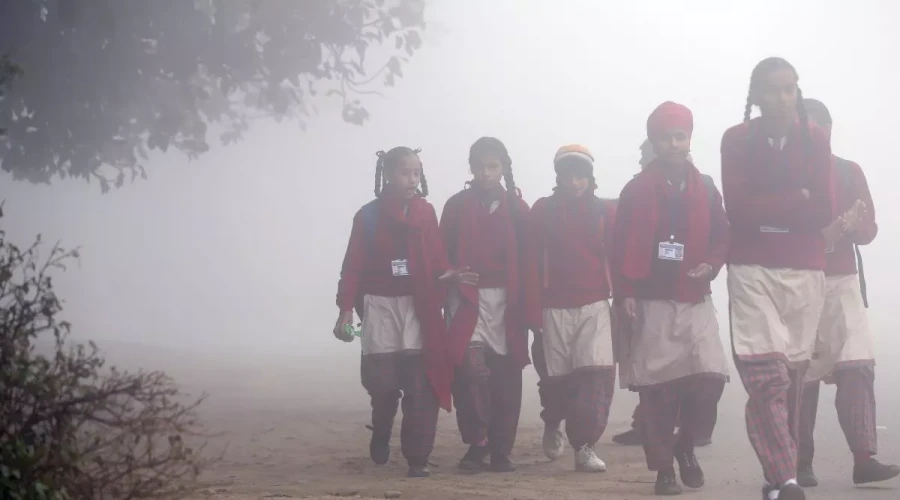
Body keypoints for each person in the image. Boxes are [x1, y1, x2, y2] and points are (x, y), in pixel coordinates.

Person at [721, 57, 834, 500]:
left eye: (790, 88)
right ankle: (786, 477)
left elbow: (823, 209)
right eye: (773, 89)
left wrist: (770, 206)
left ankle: (777, 475)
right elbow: (737, 209)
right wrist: (795, 198)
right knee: (765, 375)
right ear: (755, 95)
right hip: (751, 267)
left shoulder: (815, 139)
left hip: (805, 269)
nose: (783, 98)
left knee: (791, 377)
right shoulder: (737, 140)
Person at [334, 147, 476, 478]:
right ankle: (382, 426)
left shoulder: (426, 212)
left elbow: (437, 256)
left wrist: (450, 274)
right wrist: (345, 310)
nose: (412, 180)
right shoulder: (367, 216)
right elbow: (352, 267)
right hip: (379, 306)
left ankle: (418, 457)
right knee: (382, 384)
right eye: (404, 172)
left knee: (420, 385)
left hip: (418, 306)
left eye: (416, 173)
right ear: (387, 174)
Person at [613, 102, 731, 495]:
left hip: (695, 298)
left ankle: (686, 445)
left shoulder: (707, 188)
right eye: (666, 138)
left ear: (690, 138)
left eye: (681, 136)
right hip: (651, 301)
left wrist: (711, 265)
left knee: (710, 379)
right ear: (655, 142)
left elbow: (722, 236)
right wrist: (626, 293)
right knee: (658, 391)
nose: (675, 144)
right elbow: (618, 246)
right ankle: (664, 469)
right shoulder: (636, 190)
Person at [795, 99, 899, 487]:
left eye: (818, 130)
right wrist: (830, 231)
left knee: (857, 367)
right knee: (801, 376)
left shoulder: (848, 171)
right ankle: (798, 462)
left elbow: (868, 230)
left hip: (842, 282)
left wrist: (855, 226)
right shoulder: (781, 178)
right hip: (798, 284)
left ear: (829, 131)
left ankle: (864, 458)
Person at [523, 145, 616, 472]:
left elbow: (617, 256)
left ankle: (585, 447)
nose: (575, 183)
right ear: (558, 178)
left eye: (581, 176)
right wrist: (532, 311)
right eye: (568, 176)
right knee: (556, 381)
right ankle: (553, 421)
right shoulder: (542, 211)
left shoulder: (604, 212)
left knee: (595, 377)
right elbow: (530, 262)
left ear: (590, 178)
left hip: (595, 305)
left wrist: (624, 299)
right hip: (553, 307)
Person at [440, 137, 530, 473]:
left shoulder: (518, 209)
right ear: (471, 168)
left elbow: (531, 258)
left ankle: (501, 449)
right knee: (470, 372)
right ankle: (477, 442)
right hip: (467, 299)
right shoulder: (456, 206)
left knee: (505, 379)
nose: (486, 173)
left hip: (507, 302)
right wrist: (449, 274)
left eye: (493, 167)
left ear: (504, 168)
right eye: (480, 167)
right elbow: (439, 252)